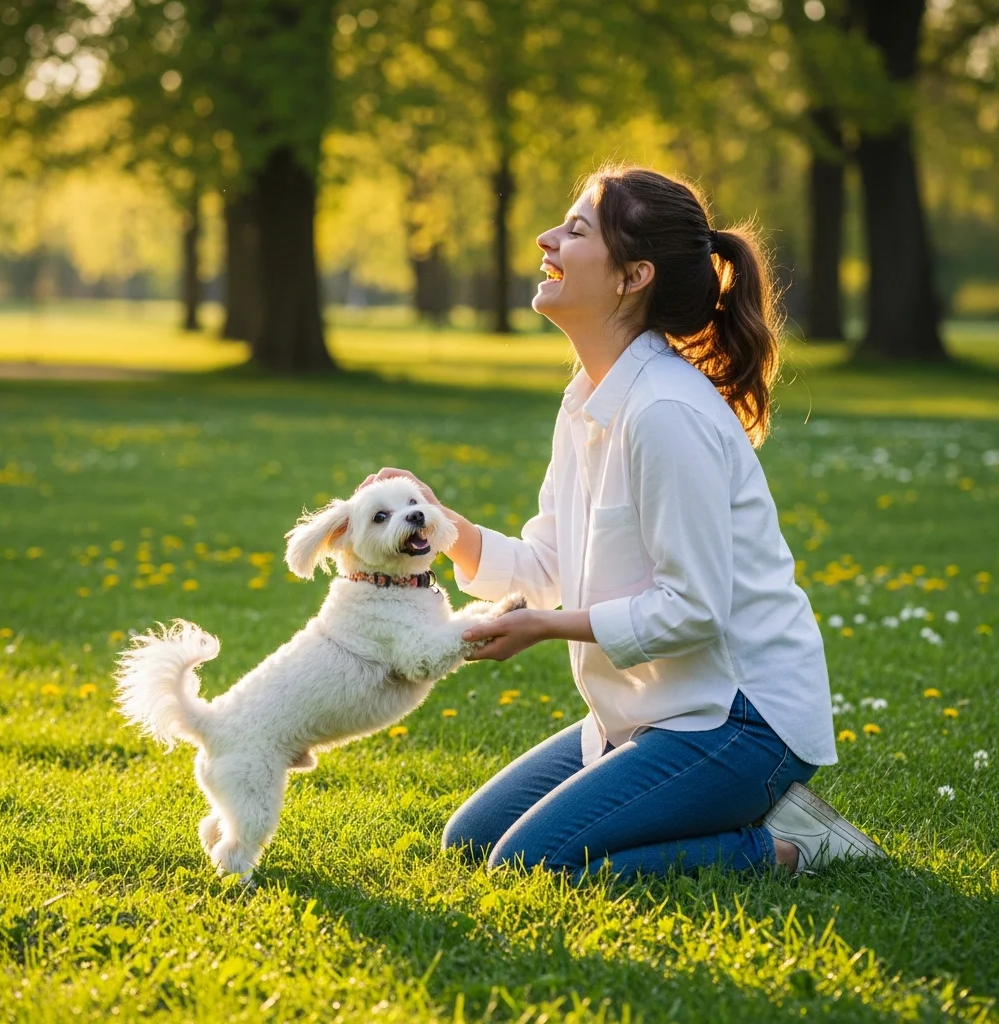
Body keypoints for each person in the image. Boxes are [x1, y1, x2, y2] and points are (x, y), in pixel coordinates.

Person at [362, 165, 884, 880]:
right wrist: (442, 523)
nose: (547, 238)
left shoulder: (665, 413)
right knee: (472, 843)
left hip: (738, 722)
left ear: (631, 276)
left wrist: (544, 628)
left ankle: (786, 848)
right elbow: (548, 568)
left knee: (532, 864)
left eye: (576, 230)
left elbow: (692, 610)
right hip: (648, 715)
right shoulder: (587, 399)